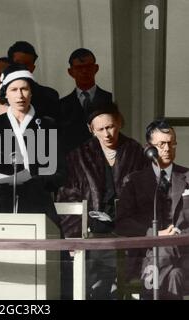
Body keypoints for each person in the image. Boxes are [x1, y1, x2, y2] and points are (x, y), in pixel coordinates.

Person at [56, 103, 148, 299]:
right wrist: (75, 238)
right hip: (92, 235)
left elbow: (146, 196)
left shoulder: (135, 152)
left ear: (120, 122)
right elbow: (67, 198)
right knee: (95, 287)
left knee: (125, 285)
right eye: (101, 129)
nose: (107, 134)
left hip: (127, 234)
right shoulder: (78, 157)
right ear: (91, 129)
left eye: (111, 126)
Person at [0, 64, 63, 225]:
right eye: (14, 90)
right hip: (2, 204)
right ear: (5, 94)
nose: (20, 95)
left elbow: (60, 172)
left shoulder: (46, 125)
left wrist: (35, 182)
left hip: (38, 204)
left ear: (31, 92)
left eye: (24, 89)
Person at [115, 119, 189, 300]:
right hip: (145, 254)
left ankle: (147, 292)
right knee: (175, 276)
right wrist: (154, 233)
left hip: (185, 252)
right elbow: (122, 223)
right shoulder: (134, 181)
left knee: (167, 259)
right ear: (149, 148)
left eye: (172, 143)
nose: (167, 148)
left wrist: (179, 235)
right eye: (162, 144)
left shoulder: (188, 177)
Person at [59, 48, 113, 153]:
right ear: (70, 72)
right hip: (73, 163)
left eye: (88, 67)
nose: (84, 71)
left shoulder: (111, 99)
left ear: (96, 68)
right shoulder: (61, 106)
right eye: (79, 68)